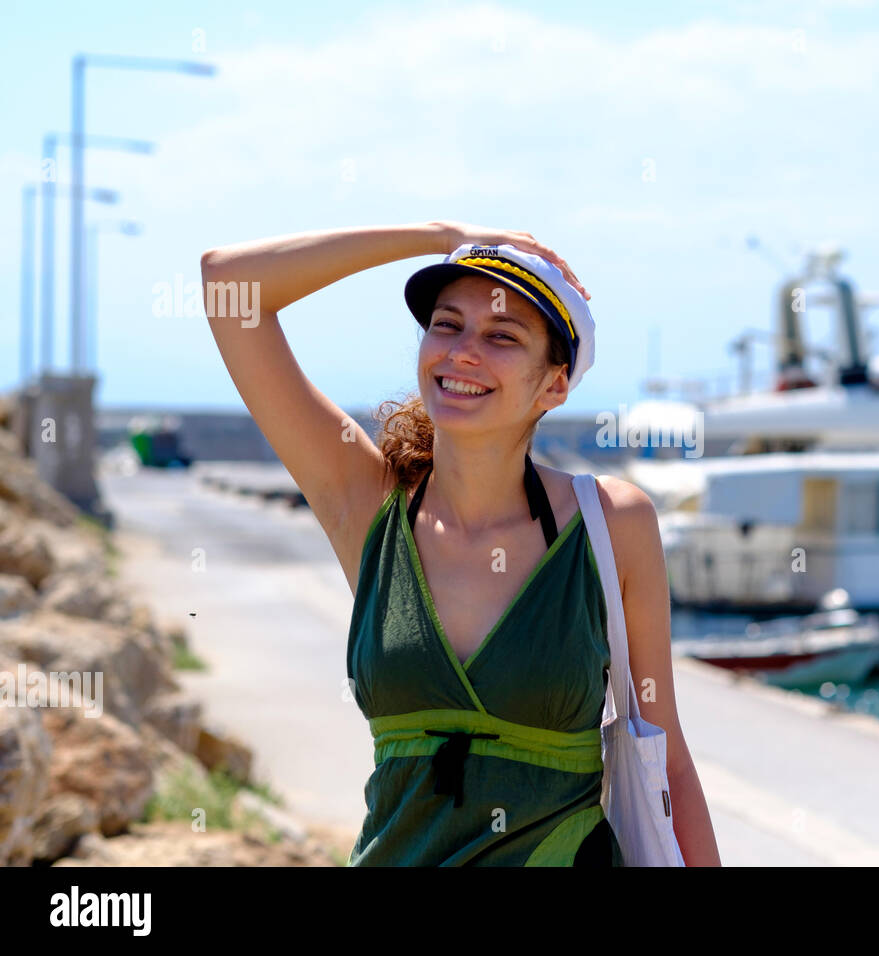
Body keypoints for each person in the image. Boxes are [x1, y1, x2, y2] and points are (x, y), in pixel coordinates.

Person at [200, 221, 720, 865]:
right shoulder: (369, 507)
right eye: (447, 324)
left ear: (554, 385)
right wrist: (440, 235)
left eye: (502, 336)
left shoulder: (610, 523)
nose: (463, 352)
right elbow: (229, 285)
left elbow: (662, 751)